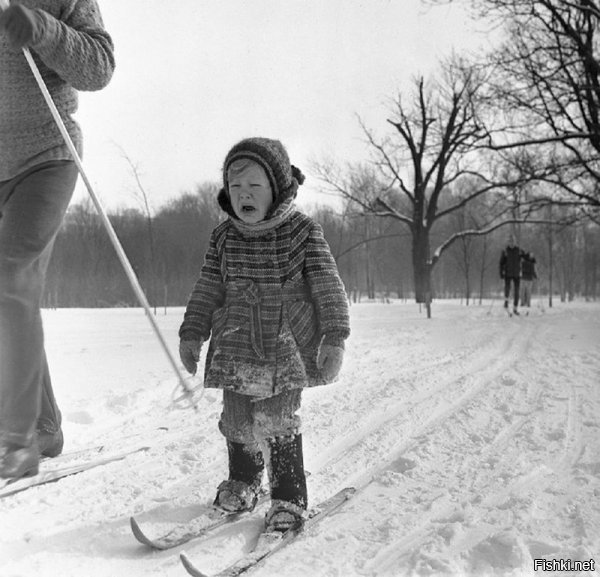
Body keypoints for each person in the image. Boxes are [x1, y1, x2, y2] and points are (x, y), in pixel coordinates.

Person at [179, 137, 350, 532]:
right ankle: (244, 481)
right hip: (236, 338)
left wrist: (335, 336)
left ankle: (289, 496)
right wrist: (192, 332)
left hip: (284, 342)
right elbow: (208, 286)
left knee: (275, 418)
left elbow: (327, 284)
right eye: (236, 188)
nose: (244, 196)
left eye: (254, 187)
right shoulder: (223, 237)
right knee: (237, 419)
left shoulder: (303, 232)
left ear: (277, 188)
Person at [0, 2, 115, 479]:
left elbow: (99, 67)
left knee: (9, 276)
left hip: (46, 156)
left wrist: (42, 27)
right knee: (9, 294)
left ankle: (17, 441)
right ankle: (43, 424)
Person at [499, 234, 524, 315]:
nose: (512, 243)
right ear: (508, 242)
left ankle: (515, 308)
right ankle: (506, 304)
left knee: (516, 292)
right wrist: (501, 272)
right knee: (507, 289)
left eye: (513, 241)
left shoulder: (519, 250)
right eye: (510, 241)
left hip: (517, 274)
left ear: (515, 242)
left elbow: (524, 259)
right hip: (508, 273)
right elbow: (501, 263)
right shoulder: (505, 251)